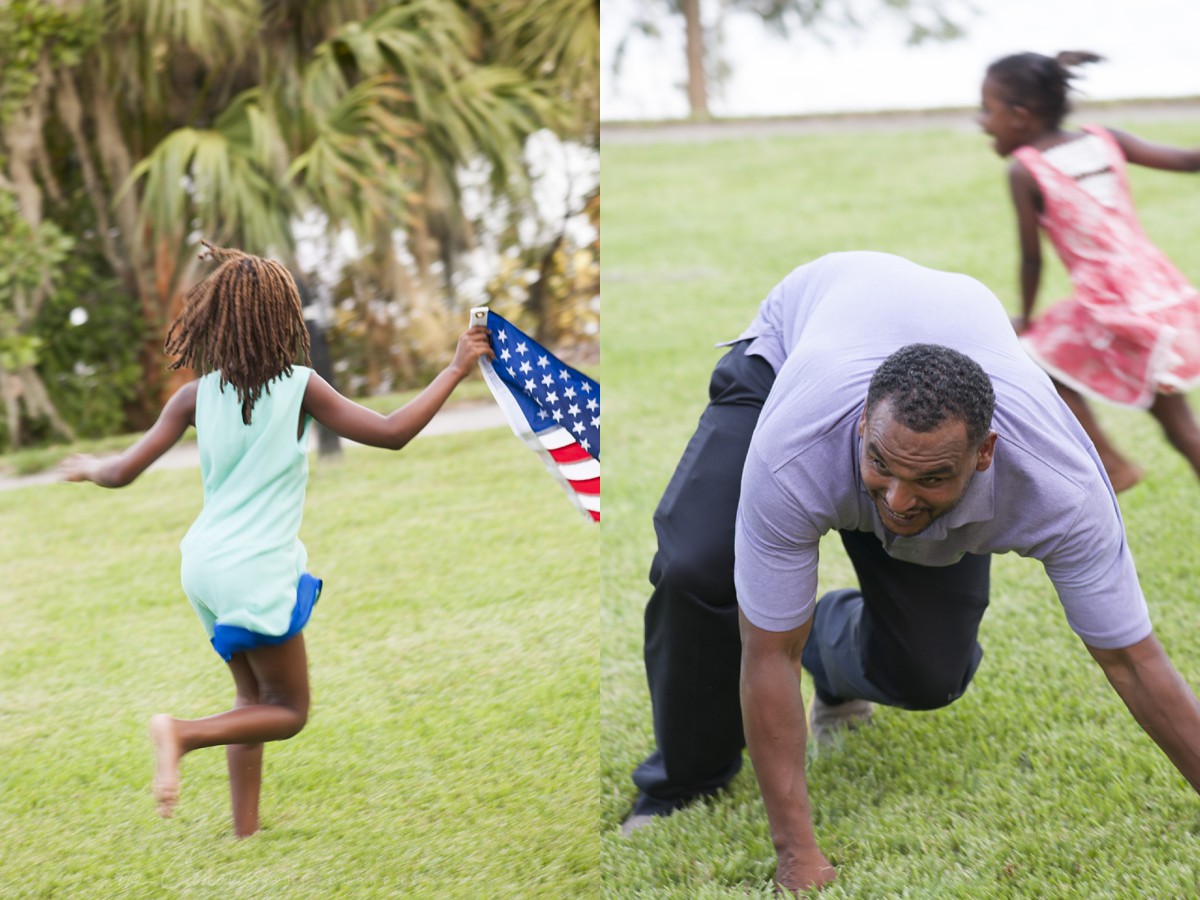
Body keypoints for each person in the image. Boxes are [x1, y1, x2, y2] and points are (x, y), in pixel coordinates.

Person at [621, 251, 1200, 895]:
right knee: (699, 569)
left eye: (931, 477)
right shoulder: (794, 448)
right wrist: (797, 855)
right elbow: (767, 655)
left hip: (932, 381)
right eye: (884, 468)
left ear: (985, 454)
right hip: (792, 351)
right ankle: (685, 779)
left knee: (928, 673)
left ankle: (822, 641)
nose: (897, 501)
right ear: (864, 426)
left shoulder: (1059, 487)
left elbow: (1132, 661)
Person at [62, 242, 493, 838]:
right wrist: (453, 369)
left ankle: (246, 831)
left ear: (217, 321)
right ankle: (181, 733)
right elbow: (392, 433)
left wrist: (89, 467)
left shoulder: (192, 397)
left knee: (251, 700)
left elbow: (122, 472)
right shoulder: (299, 386)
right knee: (287, 710)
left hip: (203, 566)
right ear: (280, 318)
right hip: (256, 568)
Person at [978, 50, 1200, 493]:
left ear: (1020, 116)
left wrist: (1028, 316)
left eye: (988, 110)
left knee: (1033, 352)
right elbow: (1191, 160)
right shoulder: (1105, 140)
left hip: (1113, 303)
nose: (982, 122)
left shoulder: (1026, 171)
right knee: (1180, 426)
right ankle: (1112, 463)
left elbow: (1031, 258)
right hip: (1157, 291)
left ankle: (1113, 465)